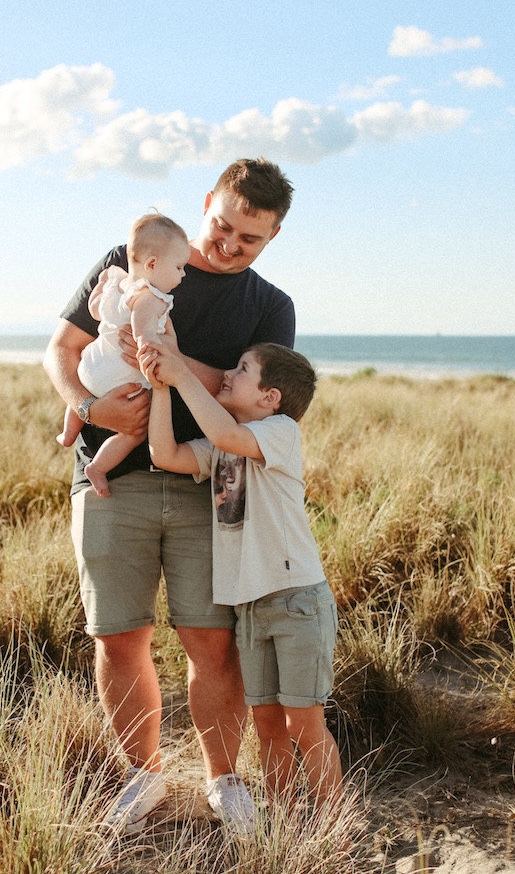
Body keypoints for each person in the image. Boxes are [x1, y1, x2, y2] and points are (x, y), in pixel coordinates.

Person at [43, 158, 295, 839]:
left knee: (213, 641)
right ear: (208, 201)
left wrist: (176, 365)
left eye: (250, 239)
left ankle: (224, 779)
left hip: (209, 483)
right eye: (223, 226)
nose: (229, 245)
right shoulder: (131, 258)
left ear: (272, 238)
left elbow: (257, 401)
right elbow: (60, 350)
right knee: (119, 633)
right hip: (107, 475)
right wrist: (89, 408)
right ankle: (142, 774)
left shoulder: (270, 307)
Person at [142, 341, 342, 814]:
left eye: (243, 369)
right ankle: (285, 824)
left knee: (304, 724)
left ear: (270, 397)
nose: (228, 373)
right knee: (269, 725)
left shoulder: (279, 431)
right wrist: (161, 389)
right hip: (250, 608)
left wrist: (185, 376)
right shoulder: (221, 447)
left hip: (296, 603)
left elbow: (230, 436)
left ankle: (336, 826)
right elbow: (165, 453)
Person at [56, 213, 189, 497]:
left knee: (86, 382)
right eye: (178, 267)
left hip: (92, 364)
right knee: (134, 433)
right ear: (153, 264)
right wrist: (148, 345)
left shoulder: (119, 284)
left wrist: (105, 288)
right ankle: (98, 468)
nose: (183, 274)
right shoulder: (152, 296)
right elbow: (142, 324)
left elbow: (95, 311)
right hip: (121, 378)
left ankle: (68, 433)